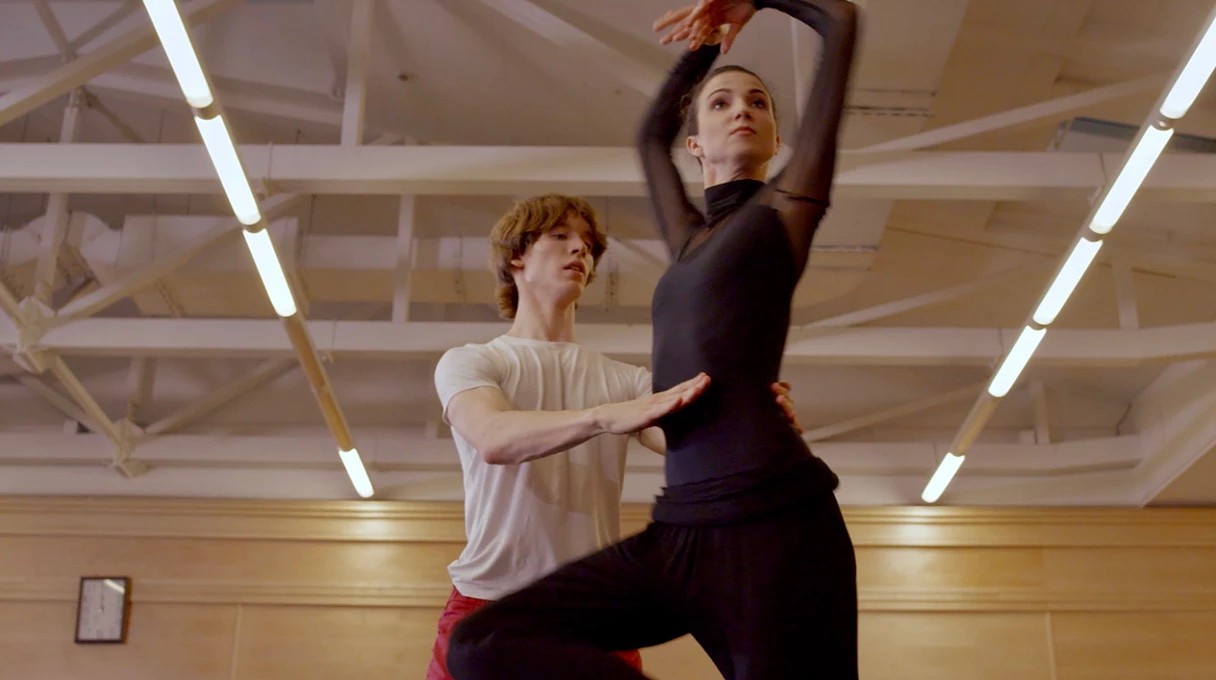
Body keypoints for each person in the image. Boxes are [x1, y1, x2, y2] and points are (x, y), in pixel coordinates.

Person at [444, 1, 860, 678]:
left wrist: (756, 1)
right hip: (683, 532)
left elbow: (840, 21)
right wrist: (706, 47)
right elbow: (647, 138)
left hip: (774, 519)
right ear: (694, 145)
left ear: (778, 139)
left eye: (757, 103)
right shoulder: (689, 239)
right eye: (721, 103)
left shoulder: (786, 212)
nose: (742, 109)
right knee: (482, 645)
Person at [427, 193, 801, 680]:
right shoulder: (472, 361)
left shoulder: (630, 383)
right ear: (516, 256)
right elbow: (493, 438)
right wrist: (603, 417)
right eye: (560, 236)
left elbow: (703, 447)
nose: (579, 250)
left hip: (588, 613)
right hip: (485, 602)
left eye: (587, 244)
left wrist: (757, 418)